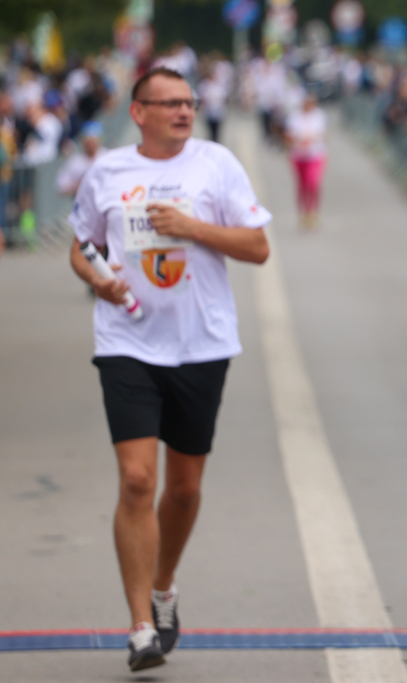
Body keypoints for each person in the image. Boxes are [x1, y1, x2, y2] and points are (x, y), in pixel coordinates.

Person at [68, 66, 271, 672]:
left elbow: (257, 248)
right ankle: (138, 627)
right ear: (139, 112)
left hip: (200, 345)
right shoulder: (108, 171)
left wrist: (193, 228)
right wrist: (98, 281)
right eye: (169, 104)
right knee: (137, 481)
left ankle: (163, 586)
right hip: (126, 342)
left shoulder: (216, 164)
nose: (184, 112)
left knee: (183, 489)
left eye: (188, 102)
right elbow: (83, 247)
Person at [283, 93, 328, 229]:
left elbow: (324, 134)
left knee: (312, 182)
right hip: (298, 156)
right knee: (302, 185)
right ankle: (303, 212)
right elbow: (287, 136)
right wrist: (297, 141)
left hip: (316, 155)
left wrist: (312, 139)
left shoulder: (319, 115)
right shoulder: (294, 117)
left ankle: (313, 211)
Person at [57, 120, 107, 196]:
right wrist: (76, 187)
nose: (90, 144)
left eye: (93, 140)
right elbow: (61, 186)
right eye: (88, 141)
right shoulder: (75, 161)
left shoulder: (107, 157)